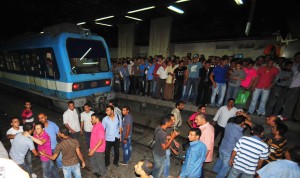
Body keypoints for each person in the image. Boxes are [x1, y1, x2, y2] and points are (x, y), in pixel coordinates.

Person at [194, 113, 214, 178]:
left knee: (198, 171)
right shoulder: (208, 127)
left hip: (201, 156)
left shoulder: (206, 131)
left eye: (196, 119)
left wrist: (201, 161)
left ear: (202, 119)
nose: (195, 121)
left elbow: (208, 148)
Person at [88, 113, 107, 177]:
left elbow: (101, 141)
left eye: (92, 119)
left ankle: (103, 173)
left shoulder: (100, 128)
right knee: (93, 160)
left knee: (100, 162)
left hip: (98, 149)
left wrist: (93, 150)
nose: (91, 120)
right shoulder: (95, 125)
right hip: (93, 148)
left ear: (97, 119)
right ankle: (96, 171)